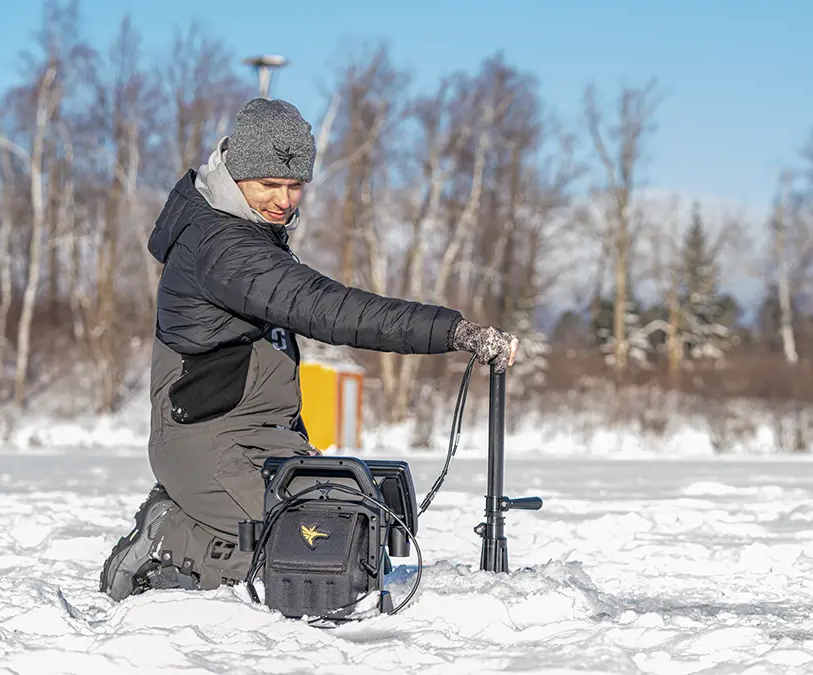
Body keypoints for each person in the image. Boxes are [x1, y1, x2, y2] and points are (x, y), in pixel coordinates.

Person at [100, 98, 519, 601]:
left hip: (264, 441)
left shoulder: (251, 233)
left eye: (294, 185)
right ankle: (170, 535)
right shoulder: (222, 247)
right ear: (236, 176)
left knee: (353, 530)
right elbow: (329, 309)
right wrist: (450, 331)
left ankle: (197, 515)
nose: (283, 199)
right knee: (299, 551)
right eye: (269, 185)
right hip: (207, 441)